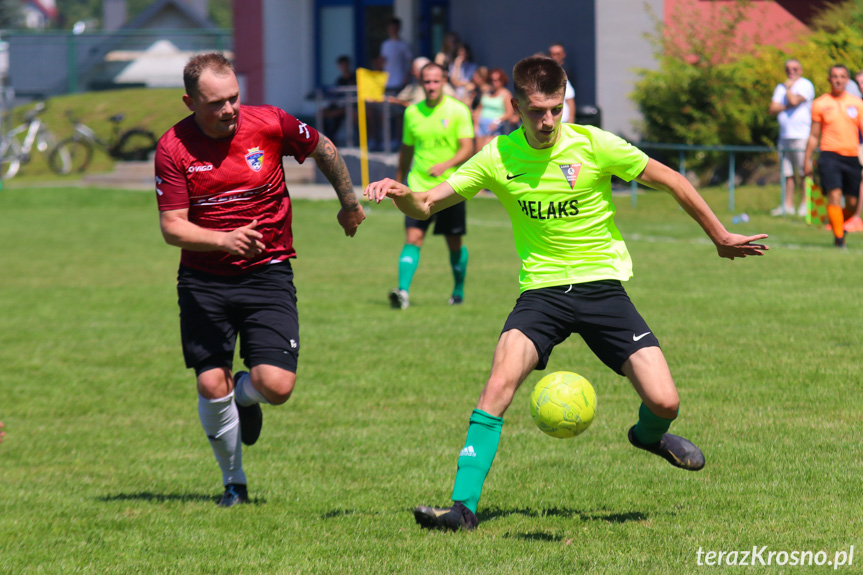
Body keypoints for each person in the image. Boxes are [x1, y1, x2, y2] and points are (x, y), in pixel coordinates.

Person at [365, 56, 768, 532]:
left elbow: (673, 180)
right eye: (536, 110)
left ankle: (646, 436)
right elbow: (429, 202)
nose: (548, 121)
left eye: (555, 108)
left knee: (665, 403)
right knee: (497, 386)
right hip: (542, 294)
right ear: (515, 106)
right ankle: (462, 509)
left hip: (603, 289)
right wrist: (401, 192)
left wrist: (719, 235)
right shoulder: (498, 156)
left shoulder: (595, 145)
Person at [154, 53, 366, 507]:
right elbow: (172, 226)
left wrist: (349, 203)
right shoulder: (173, 147)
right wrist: (224, 240)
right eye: (216, 103)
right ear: (190, 102)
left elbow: (324, 148)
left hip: (267, 275)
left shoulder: (270, 123)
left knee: (278, 387)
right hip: (203, 281)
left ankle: (245, 398)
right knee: (211, 384)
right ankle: (234, 482)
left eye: (234, 97)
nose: (230, 109)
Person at [389, 62, 475, 310]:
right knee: (413, 238)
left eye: (436, 81)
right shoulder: (412, 113)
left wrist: (445, 164)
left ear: (444, 81)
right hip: (417, 187)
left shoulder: (458, 110)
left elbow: (468, 147)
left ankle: (458, 292)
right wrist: (398, 181)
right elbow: (406, 149)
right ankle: (402, 292)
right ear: (420, 82)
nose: (431, 86)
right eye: (427, 81)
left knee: (454, 242)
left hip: (450, 188)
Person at [804, 64, 863, 247]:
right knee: (834, 195)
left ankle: (837, 224)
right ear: (829, 79)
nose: (838, 80)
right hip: (829, 155)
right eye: (835, 76)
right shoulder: (820, 103)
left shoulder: (857, 103)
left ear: (847, 80)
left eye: (842, 76)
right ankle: (839, 239)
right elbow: (814, 135)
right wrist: (807, 160)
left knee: (852, 205)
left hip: (851, 156)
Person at [769, 59, 815, 217]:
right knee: (787, 174)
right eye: (788, 68)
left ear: (800, 70)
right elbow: (772, 108)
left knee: (805, 172)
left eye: (795, 68)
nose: (791, 71)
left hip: (801, 136)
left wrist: (788, 89)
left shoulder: (805, 85)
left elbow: (794, 100)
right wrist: (788, 103)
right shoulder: (780, 87)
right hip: (784, 136)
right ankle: (787, 205)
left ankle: (806, 204)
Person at [475, 68, 516, 150]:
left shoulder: (506, 94)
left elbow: (509, 112)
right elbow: (479, 108)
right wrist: (475, 124)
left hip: (494, 127)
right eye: (492, 80)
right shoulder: (486, 92)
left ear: (502, 81)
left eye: (498, 80)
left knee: (487, 150)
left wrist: (497, 121)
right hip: (481, 125)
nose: (495, 82)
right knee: (478, 151)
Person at [380, 18, 413, 93]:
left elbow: (410, 61)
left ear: (398, 29)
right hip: (387, 81)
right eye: (390, 28)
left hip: (400, 81)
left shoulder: (404, 45)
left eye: (394, 28)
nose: (392, 30)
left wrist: (407, 77)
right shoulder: (385, 44)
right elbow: (382, 61)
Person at [548, 42, 576, 124]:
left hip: (562, 120)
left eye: (558, 54)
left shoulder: (563, 76)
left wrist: (570, 121)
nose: (555, 56)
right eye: (552, 54)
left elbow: (570, 100)